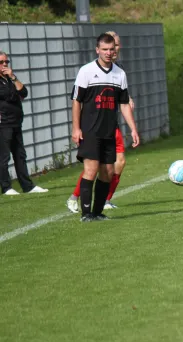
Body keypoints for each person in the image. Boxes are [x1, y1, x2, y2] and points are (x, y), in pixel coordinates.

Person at [71, 33, 140, 221]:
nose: (108, 53)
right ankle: (86, 214)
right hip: (90, 130)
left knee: (108, 172)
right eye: (104, 49)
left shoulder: (119, 74)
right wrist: (76, 128)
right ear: (97, 50)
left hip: (109, 131)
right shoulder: (86, 71)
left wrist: (133, 128)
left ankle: (97, 212)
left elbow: (124, 104)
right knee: (91, 170)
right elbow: (77, 101)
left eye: (111, 49)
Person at [0, 51, 48, 195]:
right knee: (4, 157)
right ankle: (6, 187)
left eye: (6, 62)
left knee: (20, 155)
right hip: (3, 123)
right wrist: (15, 94)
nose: (4, 65)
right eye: (1, 62)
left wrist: (13, 77)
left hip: (16, 122)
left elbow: (23, 93)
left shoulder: (9, 79)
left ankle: (27, 186)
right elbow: (10, 96)